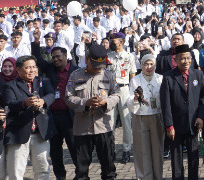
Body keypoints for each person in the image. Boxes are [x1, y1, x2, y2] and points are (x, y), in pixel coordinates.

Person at [66, 43, 121, 180]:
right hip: (82, 128)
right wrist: (85, 103)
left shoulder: (109, 75)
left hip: (103, 127)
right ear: (87, 59)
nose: (98, 69)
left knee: (108, 168)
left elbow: (117, 94)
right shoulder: (75, 75)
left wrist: (105, 102)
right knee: (81, 170)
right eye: (95, 65)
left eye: (101, 65)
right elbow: (68, 97)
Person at [3, 55, 55, 180]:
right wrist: (24, 103)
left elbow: (52, 94)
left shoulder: (44, 81)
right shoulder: (11, 85)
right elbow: (9, 103)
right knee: (16, 171)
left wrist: (43, 101)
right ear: (19, 70)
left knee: (42, 169)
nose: (32, 70)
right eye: (28, 67)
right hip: (19, 133)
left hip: (40, 133)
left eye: (34, 67)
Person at [161, 43, 204, 180]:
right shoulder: (168, 77)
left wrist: (200, 117)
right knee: (176, 158)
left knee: (194, 157)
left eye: (188, 58)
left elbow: (203, 99)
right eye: (182, 59)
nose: (186, 61)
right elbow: (166, 104)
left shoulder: (198, 74)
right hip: (176, 125)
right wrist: (169, 126)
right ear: (175, 60)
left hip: (194, 123)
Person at [35, 45, 78, 180]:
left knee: (74, 148)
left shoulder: (76, 71)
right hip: (52, 117)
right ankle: (60, 176)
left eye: (58, 56)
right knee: (55, 151)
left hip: (69, 117)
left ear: (66, 56)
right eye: (53, 57)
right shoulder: (50, 69)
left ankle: (80, 174)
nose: (55, 59)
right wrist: (36, 42)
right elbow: (39, 60)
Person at [128, 54, 164, 180]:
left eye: (151, 64)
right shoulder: (135, 80)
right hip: (140, 117)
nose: (148, 67)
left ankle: (157, 176)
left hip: (157, 116)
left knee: (157, 149)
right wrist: (136, 99)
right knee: (142, 150)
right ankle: (144, 177)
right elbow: (129, 100)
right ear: (141, 65)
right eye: (145, 64)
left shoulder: (160, 79)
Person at [107, 31, 137, 163]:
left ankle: (126, 150)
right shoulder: (108, 57)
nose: (111, 44)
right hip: (111, 90)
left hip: (124, 88)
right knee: (110, 121)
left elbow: (133, 75)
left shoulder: (129, 56)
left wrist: (132, 92)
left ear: (121, 42)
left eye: (114, 42)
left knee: (126, 121)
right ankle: (111, 150)